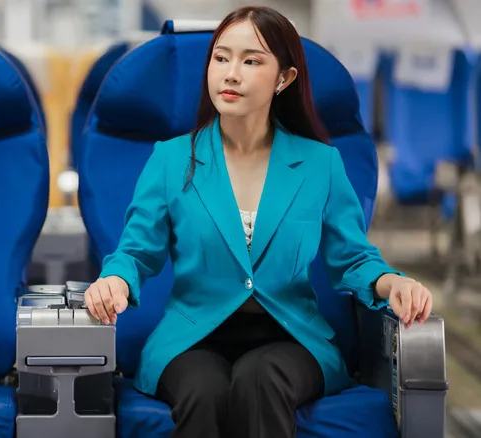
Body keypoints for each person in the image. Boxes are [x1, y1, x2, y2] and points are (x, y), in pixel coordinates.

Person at [83, 6, 433, 438]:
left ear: (283, 78)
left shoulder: (320, 165)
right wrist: (115, 280)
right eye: (221, 58)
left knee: (260, 378)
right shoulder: (171, 159)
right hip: (194, 335)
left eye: (251, 61)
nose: (230, 74)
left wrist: (392, 283)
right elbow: (137, 251)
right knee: (202, 391)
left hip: (291, 335)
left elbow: (352, 258)